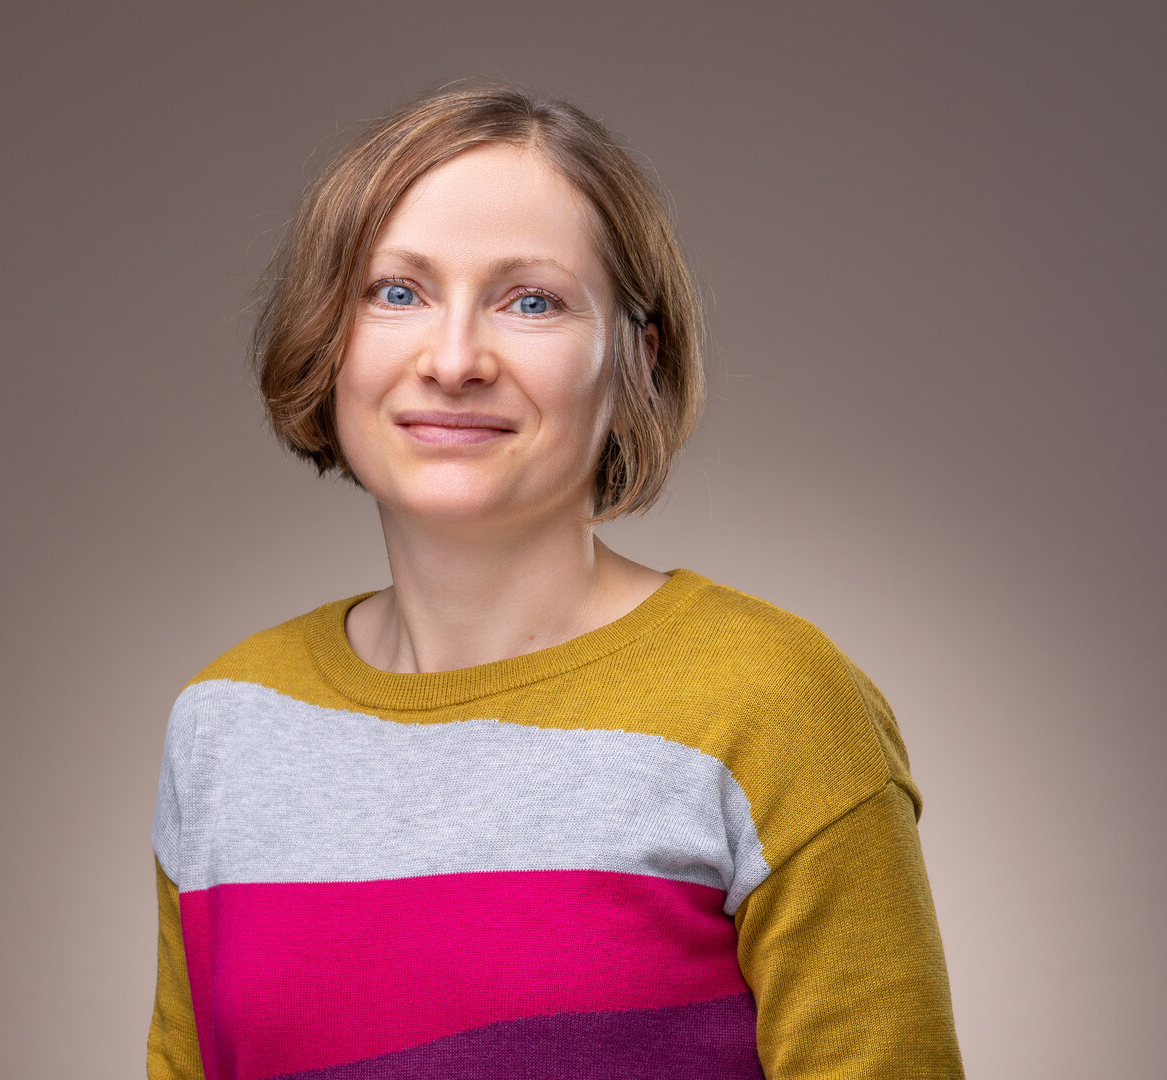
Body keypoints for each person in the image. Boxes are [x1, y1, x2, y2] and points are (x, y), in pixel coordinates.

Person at [146, 84, 964, 1079]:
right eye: (396, 292)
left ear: (635, 362)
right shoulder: (227, 725)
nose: (453, 361)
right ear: (329, 337)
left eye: (531, 300)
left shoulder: (774, 704)